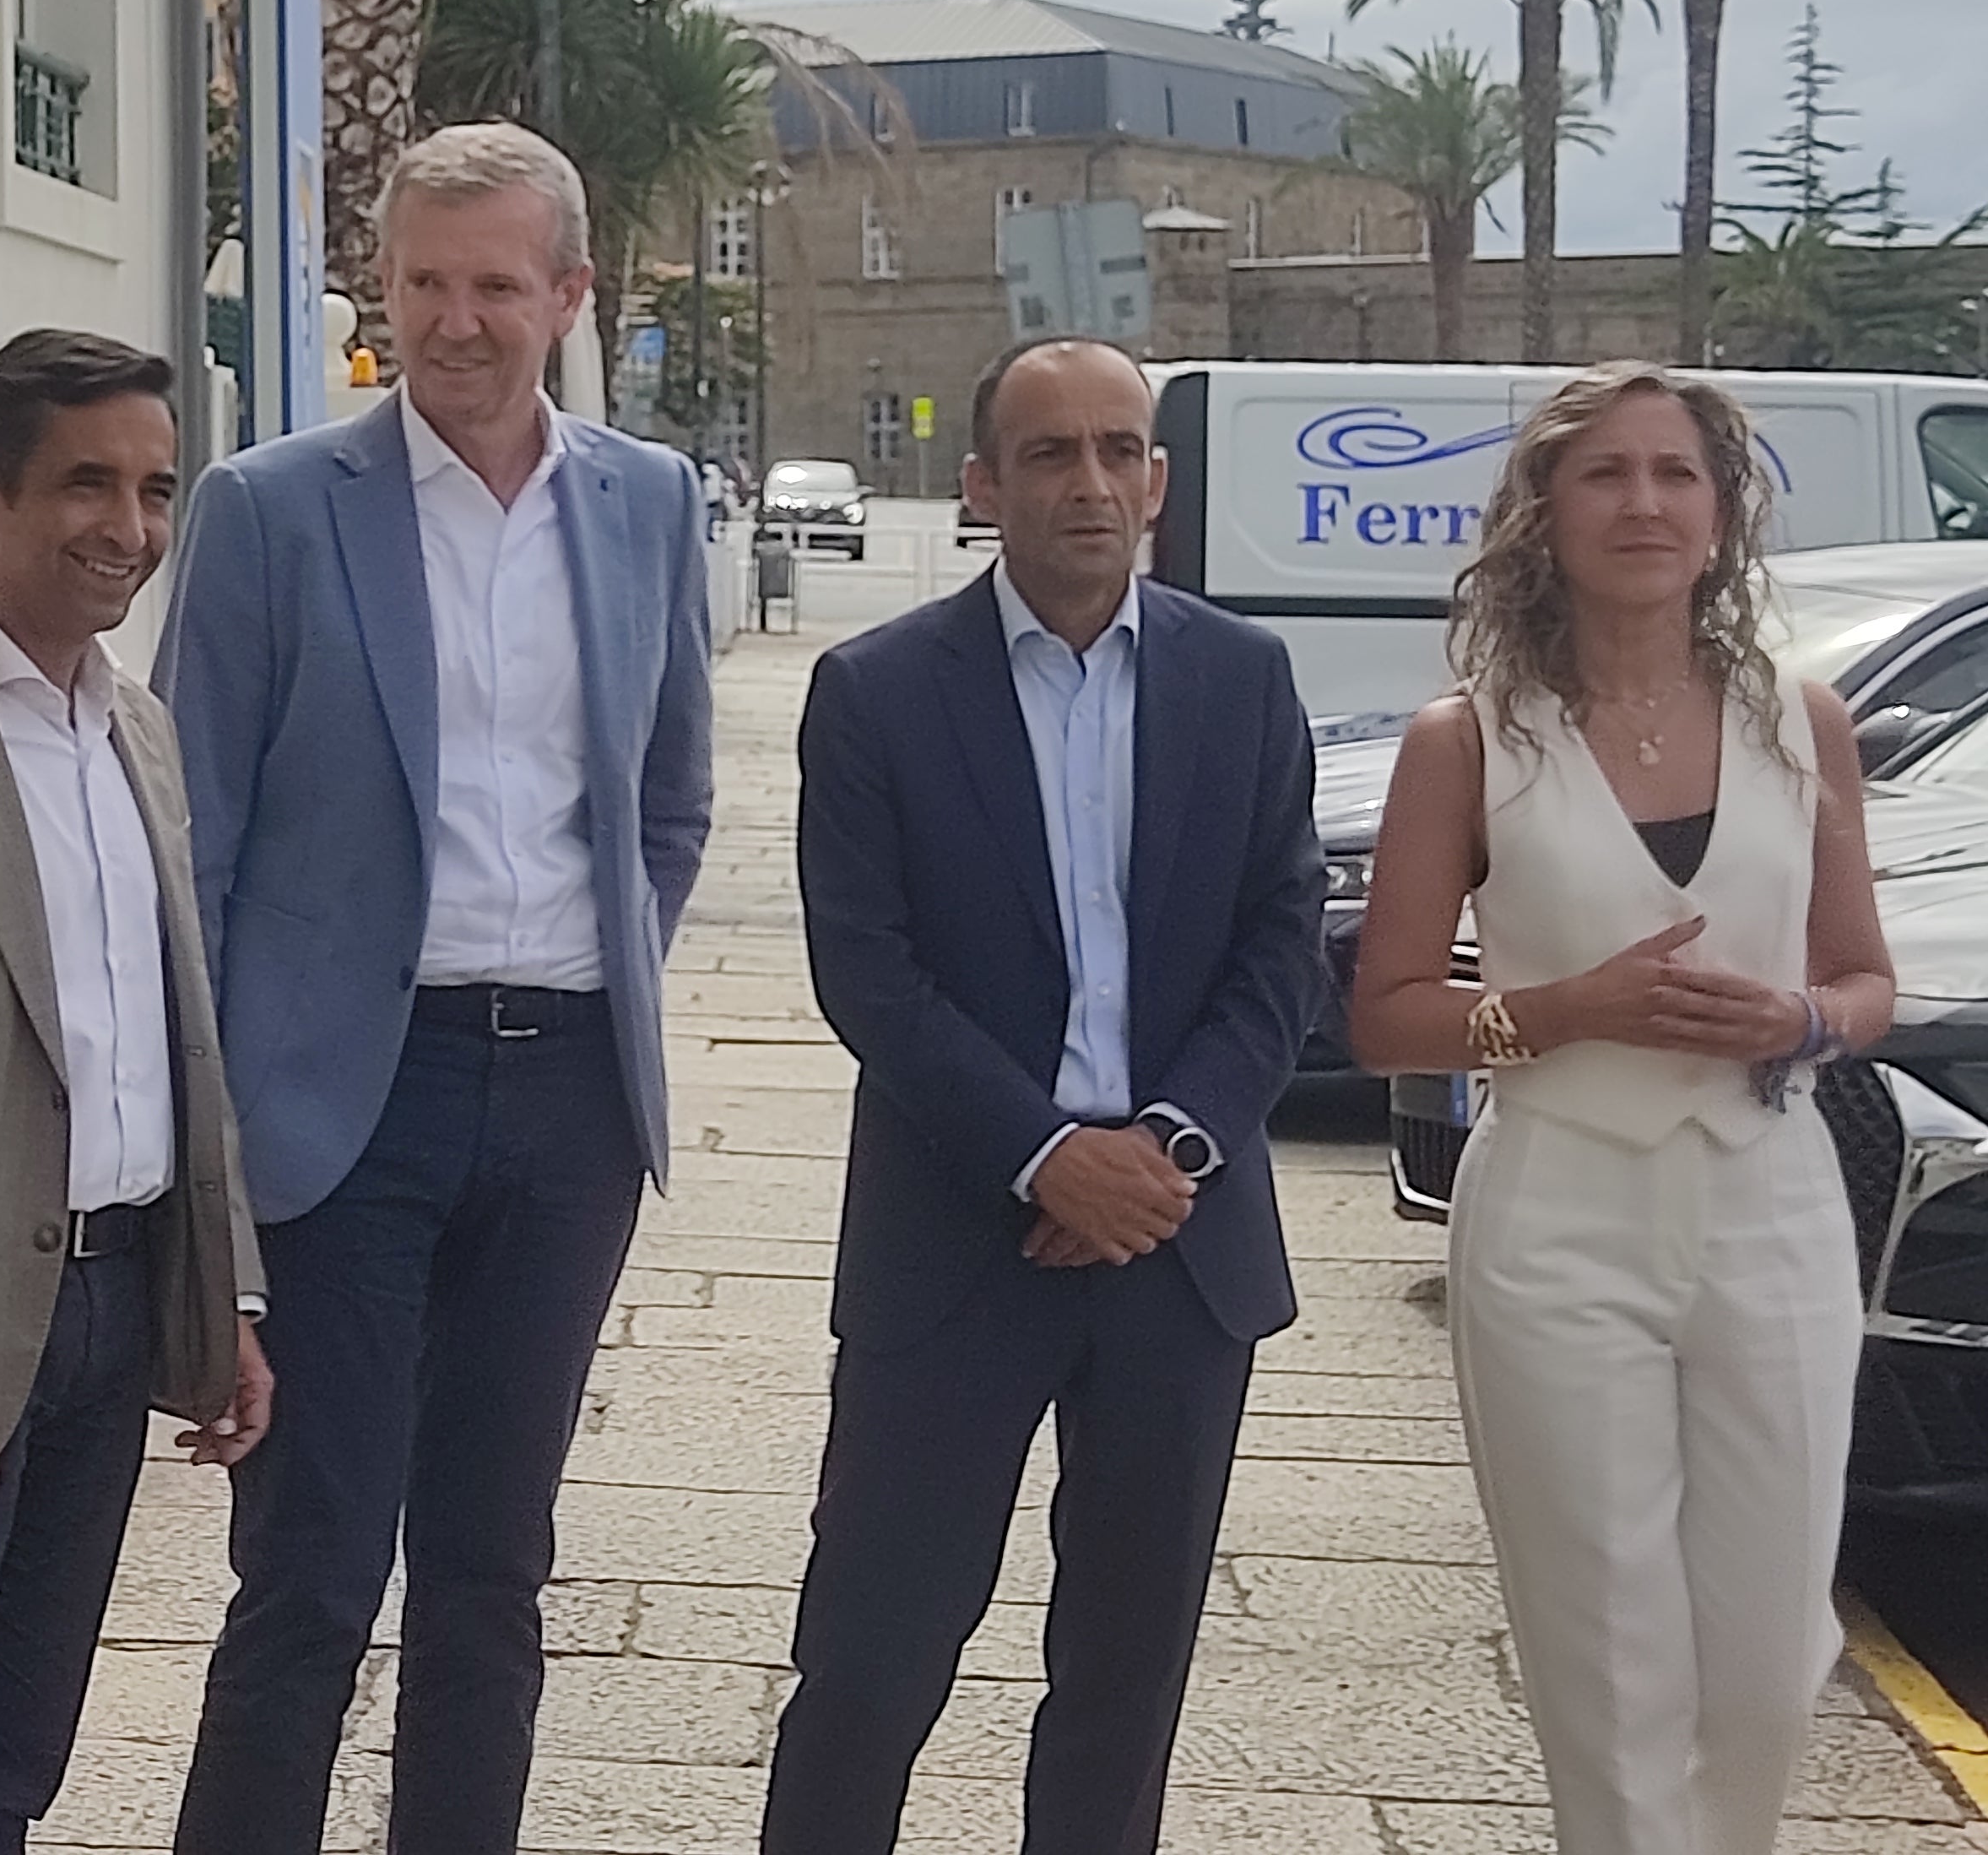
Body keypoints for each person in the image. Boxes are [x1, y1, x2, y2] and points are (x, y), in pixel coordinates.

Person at [157, 122, 714, 1855]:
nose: (454, 321)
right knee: (309, 1571)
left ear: (565, 293)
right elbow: (198, 842)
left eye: (491, 284)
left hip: (564, 1100)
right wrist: (228, 1139)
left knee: (490, 1571)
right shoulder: (266, 513)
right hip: (348, 1105)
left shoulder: (645, 502)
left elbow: (669, 800)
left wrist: (593, 960)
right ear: (377, 295)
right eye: (420, 283)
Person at [763, 334, 1324, 1855]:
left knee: (1124, 1685)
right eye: (1050, 453)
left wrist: (1163, 1151)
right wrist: (1042, 1157)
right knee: (871, 1666)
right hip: (956, 1248)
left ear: (1156, 478)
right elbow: (867, 972)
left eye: (1118, 450)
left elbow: (1283, 947)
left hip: (1179, 1252)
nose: (1091, 482)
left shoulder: (1243, 678)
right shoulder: (877, 693)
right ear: (981, 486)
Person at [1351, 363, 1892, 1855]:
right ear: (1546, 513)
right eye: (1606, 475)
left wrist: (1799, 1018)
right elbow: (1385, 1011)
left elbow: (1862, 983)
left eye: (1676, 475)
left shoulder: (1803, 720)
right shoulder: (1468, 740)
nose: (1644, 503)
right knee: (1605, 1648)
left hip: (1770, 1209)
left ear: (1721, 516)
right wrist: (1562, 1010)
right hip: (1559, 1220)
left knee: (1776, 1652)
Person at [0, 329, 273, 1852]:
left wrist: (222, 1295)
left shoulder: (139, 727)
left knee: (23, 1748)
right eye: (88, 485)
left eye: (157, 489)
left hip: (114, 1302)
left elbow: (176, 1039)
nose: (130, 529)